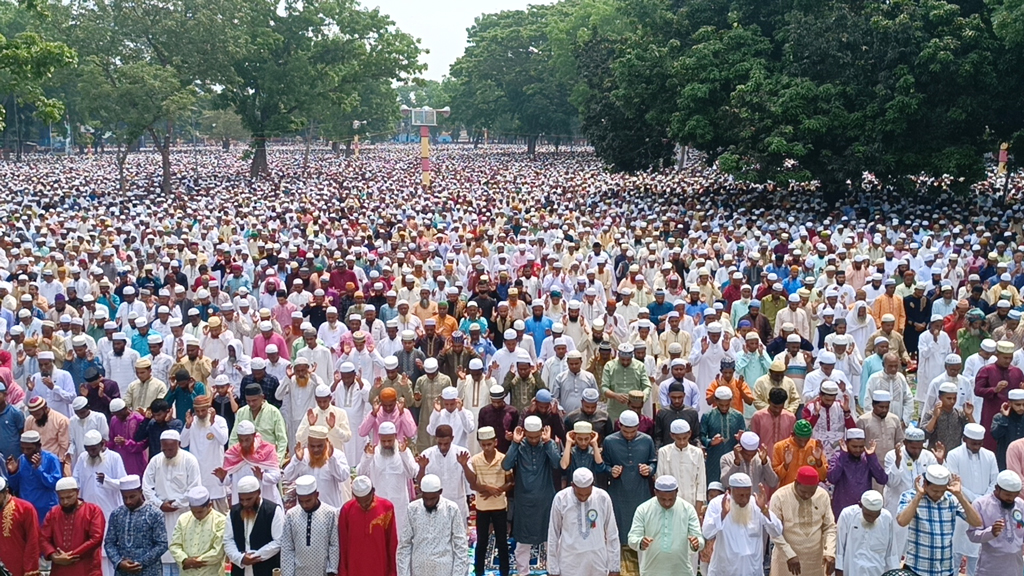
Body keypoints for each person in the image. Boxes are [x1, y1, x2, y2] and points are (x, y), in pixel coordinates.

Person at [897, 464, 983, 576]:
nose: (938, 494)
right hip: (917, 569)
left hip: (944, 570)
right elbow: (902, 521)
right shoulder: (909, 496)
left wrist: (959, 495)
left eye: (942, 491)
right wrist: (918, 496)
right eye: (935, 490)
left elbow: (977, 522)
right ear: (925, 484)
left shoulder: (951, 499)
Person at [502, 415, 561, 573]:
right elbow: (506, 464)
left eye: (537, 436)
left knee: (551, 540)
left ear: (542, 432)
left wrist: (548, 442)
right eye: (530, 436)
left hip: (546, 499)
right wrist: (514, 443)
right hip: (524, 501)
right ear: (524, 433)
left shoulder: (548, 444)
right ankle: (523, 572)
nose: (534, 440)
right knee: (523, 542)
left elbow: (557, 463)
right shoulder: (519, 446)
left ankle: (553, 571)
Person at [142, 428, 202, 576]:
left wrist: (175, 505)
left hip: (182, 514)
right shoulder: (156, 460)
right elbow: (146, 486)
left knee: (182, 550)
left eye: (171, 449)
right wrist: (159, 504)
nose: (167, 452)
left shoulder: (190, 460)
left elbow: (195, 488)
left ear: (179, 444)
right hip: (159, 513)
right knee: (163, 552)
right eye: (165, 449)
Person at [604, 409, 657, 575]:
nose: (629, 435)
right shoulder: (609, 441)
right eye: (626, 431)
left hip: (641, 493)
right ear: (620, 426)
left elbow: (653, 462)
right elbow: (602, 465)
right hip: (619, 494)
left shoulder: (646, 440)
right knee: (620, 533)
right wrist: (610, 470)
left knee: (641, 531)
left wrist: (649, 469)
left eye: (633, 431)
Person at [701, 472, 782, 576]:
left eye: (747, 495)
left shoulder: (756, 504)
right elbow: (707, 533)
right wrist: (722, 515)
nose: (744, 499)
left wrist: (764, 510)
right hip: (725, 570)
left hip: (752, 570)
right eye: (740, 495)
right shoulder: (717, 504)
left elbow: (777, 531)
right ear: (730, 492)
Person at [945, 423, 999, 576]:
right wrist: (977, 501)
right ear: (965, 439)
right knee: (955, 550)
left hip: (984, 510)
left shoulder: (989, 455)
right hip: (961, 508)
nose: (976, 446)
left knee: (977, 553)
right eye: (973, 443)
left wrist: (982, 501)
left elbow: (994, 482)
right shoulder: (954, 455)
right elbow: (954, 483)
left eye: (979, 444)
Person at [546, 467, 621, 576]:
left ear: (592, 485)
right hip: (569, 563)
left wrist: (614, 567)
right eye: (580, 495)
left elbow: (612, 533)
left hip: (597, 562)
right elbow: (553, 534)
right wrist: (553, 569)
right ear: (573, 485)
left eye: (587, 494)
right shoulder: (561, 499)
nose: (583, 498)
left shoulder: (603, 498)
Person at [71, 430, 127, 576]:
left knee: (108, 548)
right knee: (91, 547)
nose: (91, 452)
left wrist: (107, 481)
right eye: (88, 449)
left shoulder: (114, 458)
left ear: (103, 444)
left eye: (94, 449)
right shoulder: (82, 458)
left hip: (109, 511)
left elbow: (124, 483)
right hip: (88, 512)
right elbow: (75, 480)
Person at [627, 474, 704, 576]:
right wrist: (640, 542)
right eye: (663, 499)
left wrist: (696, 544)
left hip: (682, 572)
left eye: (671, 499)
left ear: (676, 492)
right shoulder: (643, 509)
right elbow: (632, 539)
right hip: (651, 572)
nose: (667, 503)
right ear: (655, 493)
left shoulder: (688, 509)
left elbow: (700, 540)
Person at [396, 473, 469, 576]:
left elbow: (460, 545)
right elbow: (404, 545)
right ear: (421, 492)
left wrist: (458, 574)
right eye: (426, 498)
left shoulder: (451, 509)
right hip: (419, 569)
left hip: (444, 570)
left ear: (440, 492)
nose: (429, 502)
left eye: (432, 499)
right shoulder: (413, 509)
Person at [882, 426, 939, 557]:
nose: (917, 451)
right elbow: (891, 482)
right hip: (897, 508)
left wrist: (940, 462)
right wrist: (897, 462)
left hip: (921, 509)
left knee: (917, 550)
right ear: (905, 443)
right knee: (895, 550)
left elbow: (936, 481)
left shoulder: (929, 456)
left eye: (919, 448)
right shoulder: (892, 455)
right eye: (913, 448)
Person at [769, 465, 837, 576]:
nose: (807, 495)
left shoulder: (822, 495)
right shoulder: (780, 497)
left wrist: (830, 552)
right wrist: (789, 554)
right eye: (803, 492)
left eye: (812, 492)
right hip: (786, 562)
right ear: (796, 483)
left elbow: (829, 526)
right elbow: (774, 532)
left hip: (815, 563)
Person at [355, 421, 417, 533]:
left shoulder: (403, 451)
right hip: (378, 504)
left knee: (399, 535)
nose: (387, 444)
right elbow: (360, 475)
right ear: (379, 437)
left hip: (399, 504)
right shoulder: (372, 452)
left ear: (395, 436)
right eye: (384, 441)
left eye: (390, 440)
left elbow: (412, 473)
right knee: (379, 534)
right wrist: (368, 457)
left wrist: (404, 455)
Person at [104, 474, 168, 576]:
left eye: (132, 496)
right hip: (123, 571)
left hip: (149, 571)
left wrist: (140, 563)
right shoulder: (116, 514)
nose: (128, 501)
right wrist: (119, 562)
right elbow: (109, 543)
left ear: (140, 492)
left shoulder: (154, 514)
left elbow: (162, 544)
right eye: (124, 497)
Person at [41, 478, 105, 576]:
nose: (65, 502)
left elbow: (96, 539)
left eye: (69, 497)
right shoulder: (53, 513)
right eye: (61, 498)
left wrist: (71, 556)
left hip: (87, 569)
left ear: (77, 492)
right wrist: (53, 556)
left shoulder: (93, 511)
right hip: (59, 569)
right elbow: (43, 538)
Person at [966, 470, 1024, 576]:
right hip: (989, 569)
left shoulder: (1020, 505)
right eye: (1007, 494)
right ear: (997, 488)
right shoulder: (980, 504)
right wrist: (991, 532)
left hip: (1016, 568)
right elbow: (973, 535)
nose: (1011, 498)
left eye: (1015, 495)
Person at [223, 476, 284, 576]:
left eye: (249, 499)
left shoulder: (272, 511)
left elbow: (279, 541)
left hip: (266, 568)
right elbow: (228, 540)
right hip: (240, 569)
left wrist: (256, 556)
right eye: (242, 499)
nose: (245, 503)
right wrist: (240, 558)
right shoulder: (234, 512)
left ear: (258, 493)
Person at [279, 475, 340, 576]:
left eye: (308, 501)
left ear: (317, 495)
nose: (305, 505)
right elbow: (287, 547)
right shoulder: (291, 515)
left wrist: (332, 570)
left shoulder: (330, 513)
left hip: (322, 571)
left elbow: (334, 544)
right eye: (301, 501)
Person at [338, 476, 398, 576]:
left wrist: (392, 571)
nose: (364, 504)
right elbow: (343, 544)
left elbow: (392, 543)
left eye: (366, 501)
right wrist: (343, 572)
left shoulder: (386, 507)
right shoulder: (347, 510)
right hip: (354, 568)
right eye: (360, 501)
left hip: (380, 567)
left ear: (373, 492)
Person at [180, 394, 230, 512]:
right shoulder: (192, 422)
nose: (200, 413)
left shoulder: (219, 421)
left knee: (221, 515)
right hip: (198, 473)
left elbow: (223, 440)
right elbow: (182, 443)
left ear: (209, 408)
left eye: (203, 410)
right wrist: (187, 425)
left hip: (214, 474)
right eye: (197, 411)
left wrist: (213, 424)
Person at [835, 490, 899, 576]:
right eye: (868, 515)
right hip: (852, 570)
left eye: (876, 515)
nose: (872, 519)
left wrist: (894, 572)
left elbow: (891, 552)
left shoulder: (886, 518)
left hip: (877, 571)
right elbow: (839, 548)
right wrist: (839, 571)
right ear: (861, 506)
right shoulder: (847, 515)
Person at [827, 428, 887, 518]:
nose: (858, 450)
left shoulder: (867, 458)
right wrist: (843, 456)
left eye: (861, 447)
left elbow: (882, 479)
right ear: (846, 444)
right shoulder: (838, 457)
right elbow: (832, 478)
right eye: (854, 447)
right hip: (842, 510)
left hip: (864, 511)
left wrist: (871, 457)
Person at [168, 486, 226, 576]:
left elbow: (218, 552)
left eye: (200, 512)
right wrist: (184, 560)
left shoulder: (221, 521)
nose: (196, 515)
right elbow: (174, 545)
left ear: (209, 505)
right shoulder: (183, 519)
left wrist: (194, 562)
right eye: (193, 511)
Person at [5, 429, 61, 522]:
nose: (25, 452)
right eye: (22, 448)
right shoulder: (21, 459)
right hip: (26, 509)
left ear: (39, 446)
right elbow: (15, 487)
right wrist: (13, 473)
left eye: (29, 449)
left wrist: (38, 470)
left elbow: (55, 485)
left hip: (47, 509)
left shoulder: (52, 459)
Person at [655, 419, 705, 513]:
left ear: (690, 434)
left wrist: (698, 511)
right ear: (672, 435)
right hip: (669, 505)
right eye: (678, 438)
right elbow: (660, 480)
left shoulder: (697, 453)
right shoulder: (664, 452)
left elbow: (701, 482)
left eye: (685, 438)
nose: (682, 442)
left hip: (691, 504)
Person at [230, 383, 288, 462]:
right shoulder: (242, 412)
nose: (251, 404)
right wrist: (234, 459)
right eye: (248, 401)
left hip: (268, 459)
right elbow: (234, 438)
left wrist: (277, 461)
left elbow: (282, 440)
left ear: (262, 397)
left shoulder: (273, 412)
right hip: (245, 460)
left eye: (254, 400)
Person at [700, 386, 745, 482]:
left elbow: (744, 435)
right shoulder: (707, 416)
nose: (724, 408)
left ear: (731, 400)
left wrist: (741, 438)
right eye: (721, 405)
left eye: (727, 405)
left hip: (733, 459)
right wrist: (710, 442)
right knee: (713, 487)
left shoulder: (738, 416)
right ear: (716, 401)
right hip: (714, 459)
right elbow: (701, 436)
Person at [0, 475, 41, 576]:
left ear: (6, 492)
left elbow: (33, 540)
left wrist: (30, 569)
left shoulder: (25, 508)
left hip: (19, 568)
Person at [772, 419, 827, 487]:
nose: (803, 444)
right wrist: (786, 464)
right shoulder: (780, 447)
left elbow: (823, 477)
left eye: (806, 440)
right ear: (792, 434)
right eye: (799, 440)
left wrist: (818, 461)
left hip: (809, 492)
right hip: (786, 492)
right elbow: (775, 479)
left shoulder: (816, 446)